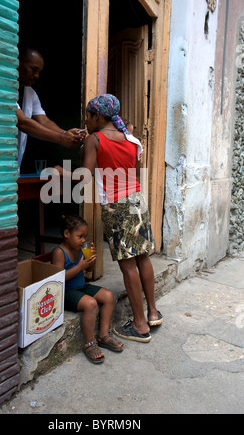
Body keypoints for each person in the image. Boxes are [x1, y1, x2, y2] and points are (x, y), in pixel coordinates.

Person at [81, 94, 163, 343]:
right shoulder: (132, 140)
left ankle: (139, 325)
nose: (86, 121)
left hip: (116, 207)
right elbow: (135, 175)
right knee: (142, 258)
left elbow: (85, 176)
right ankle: (152, 312)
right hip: (137, 202)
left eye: (88, 116)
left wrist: (61, 172)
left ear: (98, 116)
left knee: (127, 265)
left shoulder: (94, 140)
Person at [51, 214, 123, 364]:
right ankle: (89, 343)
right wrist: (79, 266)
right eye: (80, 236)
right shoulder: (59, 252)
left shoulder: (81, 248)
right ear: (66, 234)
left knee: (108, 295)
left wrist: (91, 260)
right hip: (66, 292)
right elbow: (58, 280)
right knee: (91, 304)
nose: (84, 240)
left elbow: (89, 270)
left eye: (85, 236)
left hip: (81, 286)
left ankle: (103, 336)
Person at [16, 47, 85, 170]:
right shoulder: (4, 89)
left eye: (39, 72)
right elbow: (22, 122)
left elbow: (44, 121)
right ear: (19, 63)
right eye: (34, 69)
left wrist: (65, 133)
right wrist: (61, 138)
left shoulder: (30, 93)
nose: (36, 76)